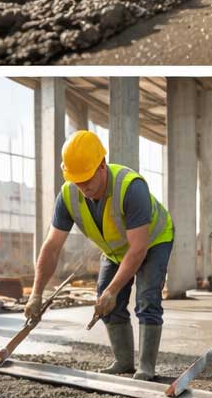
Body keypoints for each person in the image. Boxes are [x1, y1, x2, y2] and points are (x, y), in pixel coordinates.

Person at [26, 131, 174, 379]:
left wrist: (113, 291)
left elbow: (138, 249)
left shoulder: (131, 187)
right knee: (105, 303)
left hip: (153, 241)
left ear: (102, 165)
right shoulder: (67, 196)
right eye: (77, 181)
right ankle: (123, 361)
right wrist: (36, 293)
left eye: (87, 180)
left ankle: (146, 366)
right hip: (116, 251)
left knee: (147, 299)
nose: (83, 188)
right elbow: (51, 247)